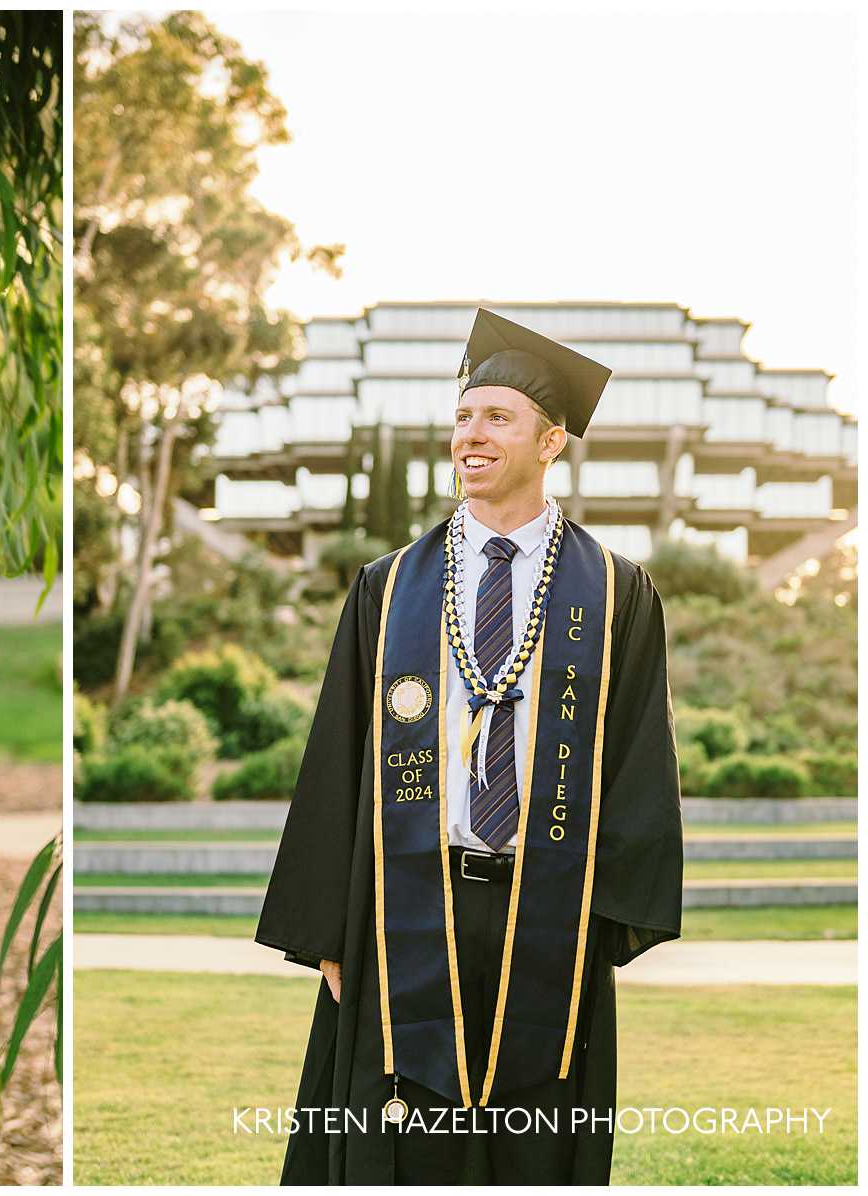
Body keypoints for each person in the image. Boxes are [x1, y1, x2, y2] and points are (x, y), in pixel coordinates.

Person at [255, 308, 684, 1185]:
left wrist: (606, 921)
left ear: (551, 441)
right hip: (404, 900)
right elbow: (338, 755)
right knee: (396, 1142)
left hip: (549, 906)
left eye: (497, 417)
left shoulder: (616, 592)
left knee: (533, 1136)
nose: (471, 435)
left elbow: (641, 754)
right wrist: (331, 930)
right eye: (462, 416)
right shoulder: (392, 586)